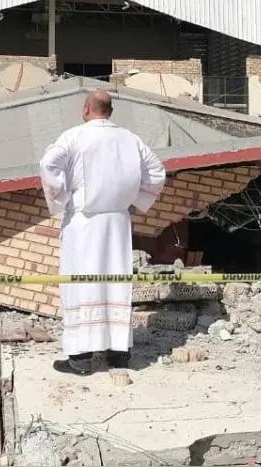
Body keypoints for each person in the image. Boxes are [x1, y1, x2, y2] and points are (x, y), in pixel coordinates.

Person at [38, 90, 166, 375]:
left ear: (86, 108)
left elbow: (48, 164)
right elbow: (157, 172)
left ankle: (81, 359)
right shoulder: (130, 139)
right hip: (118, 223)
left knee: (82, 285)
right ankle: (119, 354)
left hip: (84, 223)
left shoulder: (74, 137)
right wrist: (135, 199)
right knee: (115, 283)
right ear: (111, 111)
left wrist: (62, 197)